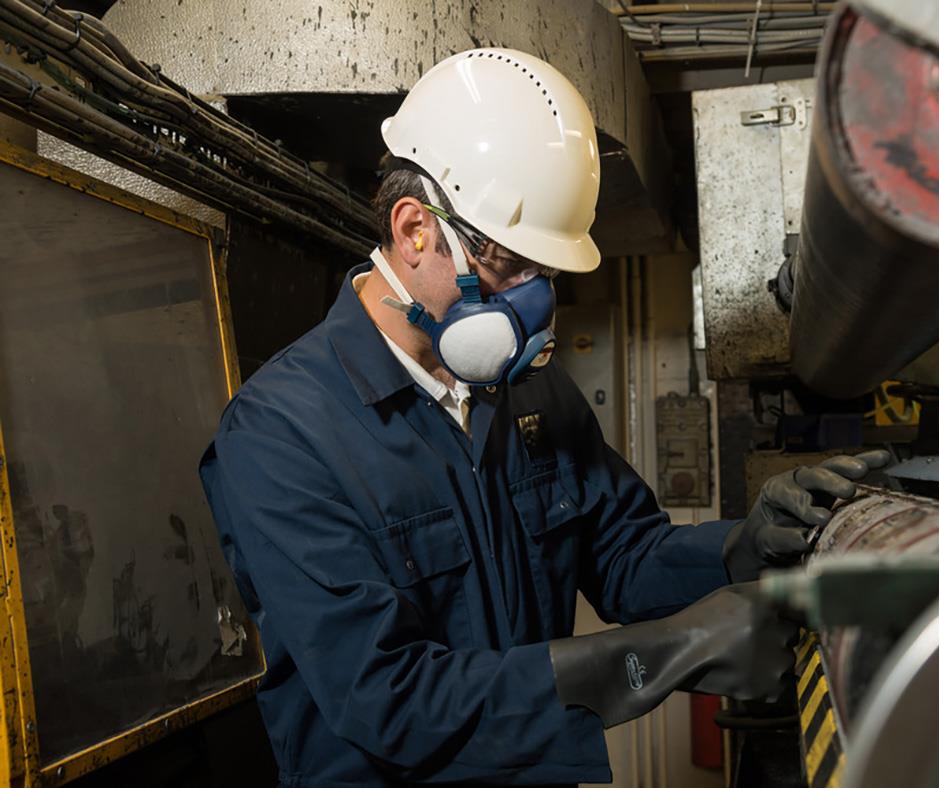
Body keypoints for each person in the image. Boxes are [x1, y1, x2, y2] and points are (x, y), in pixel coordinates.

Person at [199, 47, 887, 787]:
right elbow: (387, 698)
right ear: (414, 229)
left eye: (545, 274)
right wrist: (658, 655)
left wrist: (738, 549)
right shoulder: (279, 435)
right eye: (506, 267)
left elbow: (622, 555)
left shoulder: (530, 392)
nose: (530, 304)